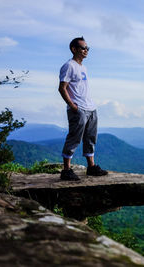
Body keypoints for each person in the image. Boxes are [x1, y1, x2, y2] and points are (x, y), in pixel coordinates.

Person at [58, 36, 108, 180]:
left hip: (90, 108)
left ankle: (91, 167)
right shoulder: (69, 66)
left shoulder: (83, 67)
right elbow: (62, 88)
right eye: (83, 48)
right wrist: (72, 105)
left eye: (87, 48)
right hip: (78, 109)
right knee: (74, 138)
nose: (86, 50)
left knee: (90, 138)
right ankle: (66, 170)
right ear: (74, 49)